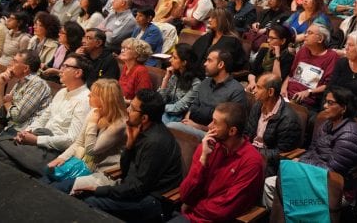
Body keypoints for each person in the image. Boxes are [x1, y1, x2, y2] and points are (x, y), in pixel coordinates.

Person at [79, 89, 183, 222]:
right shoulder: (141, 130)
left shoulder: (155, 142)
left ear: (144, 118)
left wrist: (100, 189)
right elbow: (125, 171)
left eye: (132, 108)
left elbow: (138, 188)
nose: (127, 110)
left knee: (90, 202)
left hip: (153, 201)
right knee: (85, 195)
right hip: (136, 189)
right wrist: (129, 146)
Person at [263, 86, 357, 208]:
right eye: (325, 102)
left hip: (335, 188)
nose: (324, 106)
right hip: (315, 176)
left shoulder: (349, 135)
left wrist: (303, 164)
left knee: (277, 187)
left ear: (343, 108)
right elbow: (312, 150)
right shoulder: (327, 124)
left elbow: (333, 172)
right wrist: (302, 162)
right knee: (272, 183)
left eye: (330, 103)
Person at [0, 54, 91, 177]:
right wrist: (27, 132)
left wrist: (37, 140)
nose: (61, 69)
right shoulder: (62, 92)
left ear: (78, 73)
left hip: (53, 150)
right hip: (39, 138)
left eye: (66, 66)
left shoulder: (85, 99)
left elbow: (72, 140)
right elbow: (43, 118)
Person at [171, 102, 263, 223]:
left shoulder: (251, 161)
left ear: (232, 131)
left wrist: (193, 206)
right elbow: (185, 195)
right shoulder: (207, 147)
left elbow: (225, 210)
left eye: (215, 122)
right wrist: (203, 160)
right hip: (190, 217)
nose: (209, 126)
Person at [45, 78, 127, 193]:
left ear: (104, 100)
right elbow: (79, 142)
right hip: (84, 163)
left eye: (93, 94)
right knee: (47, 174)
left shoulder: (119, 124)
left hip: (103, 173)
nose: (89, 95)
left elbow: (91, 150)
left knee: (57, 188)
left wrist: (93, 123)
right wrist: (61, 158)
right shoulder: (95, 112)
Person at [168, 49, 246, 139]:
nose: (205, 64)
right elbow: (193, 106)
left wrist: (198, 126)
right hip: (194, 126)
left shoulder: (236, 90)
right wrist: (188, 122)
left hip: (215, 136)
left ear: (221, 65)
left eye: (209, 60)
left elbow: (229, 128)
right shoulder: (205, 82)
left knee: (171, 126)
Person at [245, 73, 302, 176]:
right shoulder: (257, 105)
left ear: (270, 92)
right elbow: (247, 132)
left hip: (269, 163)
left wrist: (253, 151)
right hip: (250, 152)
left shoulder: (289, 119)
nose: (254, 90)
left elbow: (281, 153)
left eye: (259, 87)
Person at [281, 23, 339, 113]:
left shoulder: (331, 56)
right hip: (286, 97)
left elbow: (327, 85)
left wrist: (309, 91)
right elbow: (291, 75)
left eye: (310, 33)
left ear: (320, 39)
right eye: (306, 32)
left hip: (306, 102)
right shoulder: (303, 50)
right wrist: (283, 88)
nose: (305, 35)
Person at [158, 43, 203, 124]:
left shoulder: (196, 84)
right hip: (165, 112)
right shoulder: (174, 76)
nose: (170, 60)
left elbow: (178, 108)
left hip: (178, 119)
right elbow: (160, 99)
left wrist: (159, 107)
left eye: (174, 58)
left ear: (184, 62)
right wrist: (165, 79)